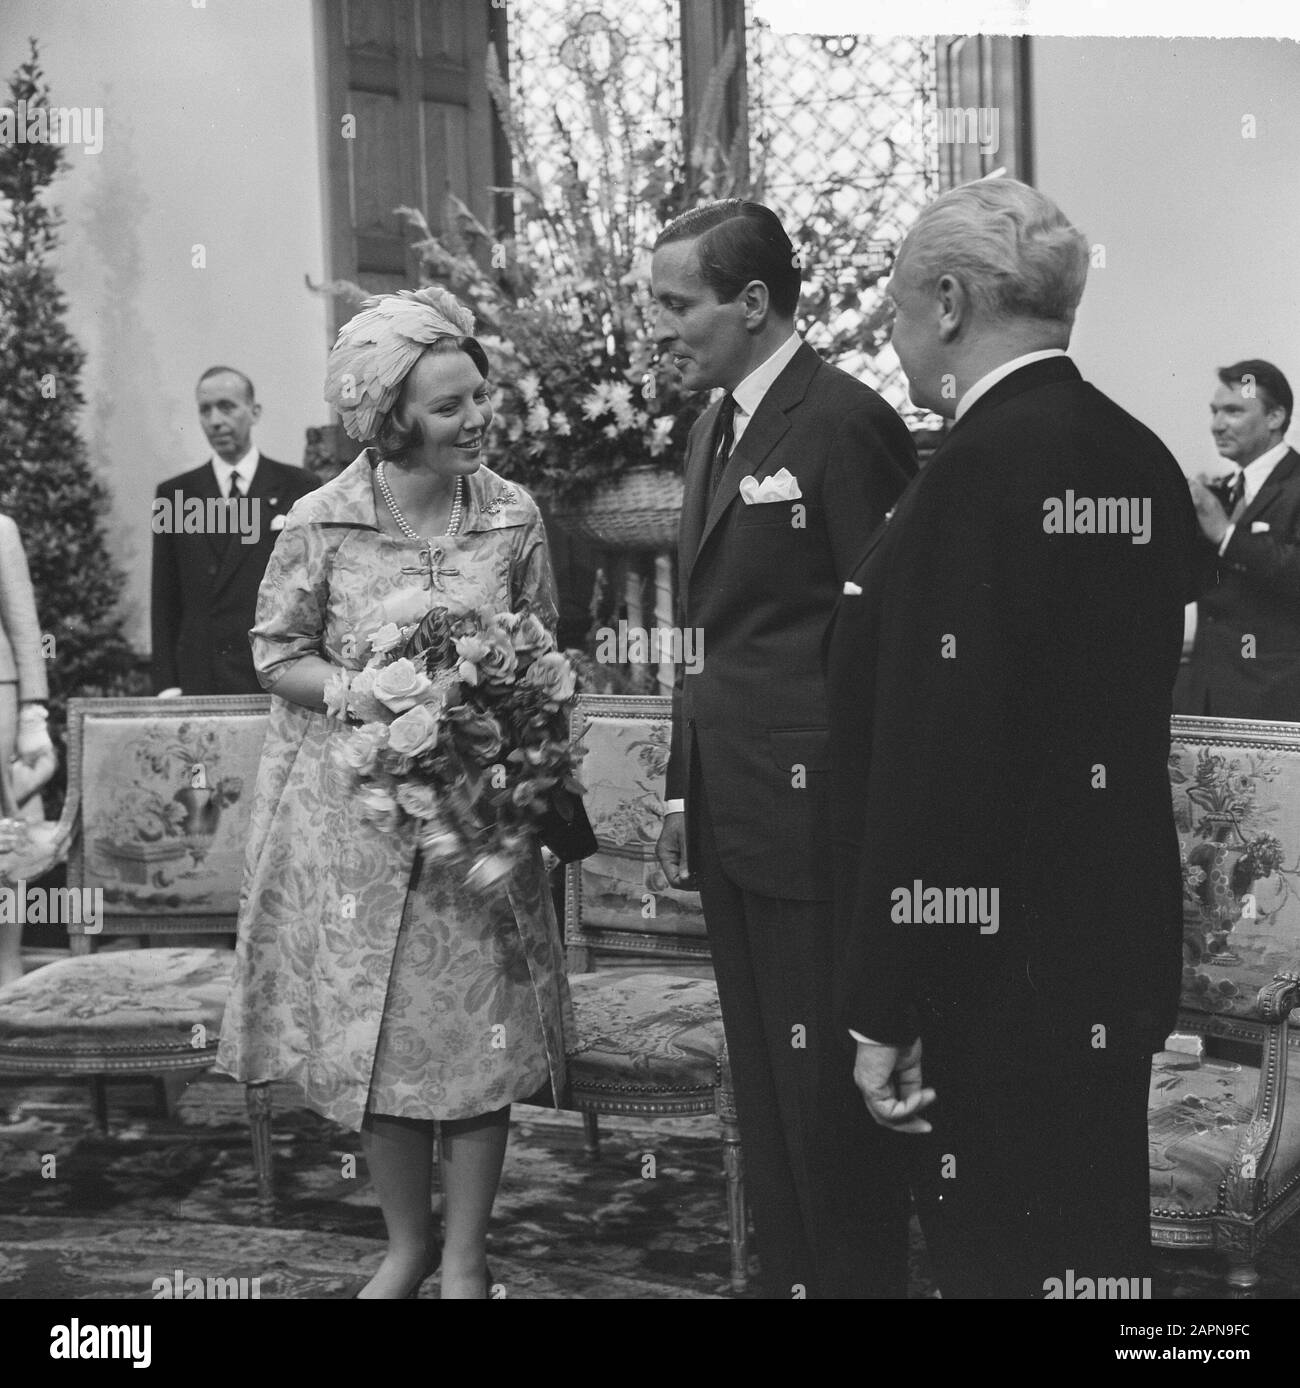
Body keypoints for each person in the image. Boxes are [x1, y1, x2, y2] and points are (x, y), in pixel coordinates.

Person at [826, 176, 1199, 1298]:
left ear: (946, 302)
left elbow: (943, 762)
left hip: (989, 959)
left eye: (892, 314)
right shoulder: (1137, 453)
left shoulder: (971, 477)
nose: (892, 346)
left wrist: (885, 999)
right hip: (1108, 925)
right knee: (1096, 1245)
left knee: (998, 1249)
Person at [214, 287, 573, 1298]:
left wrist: (514, 719)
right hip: (360, 830)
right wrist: (356, 690)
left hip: (479, 826)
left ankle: (463, 1259)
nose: (475, 420)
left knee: (473, 1040)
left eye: (477, 397)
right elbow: (274, 651)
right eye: (449, 406)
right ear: (390, 417)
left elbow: (540, 641)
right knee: (384, 1042)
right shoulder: (319, 522)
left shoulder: (511, 513)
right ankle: (406, 1244)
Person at [651, 199, 917, 1298]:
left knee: (824, 1105)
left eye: (677, 305)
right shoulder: (712, 425)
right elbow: (703, 630)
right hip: (729, 806)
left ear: (751, 302)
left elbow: (893, 639)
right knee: (765, 1086)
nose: (661, 328)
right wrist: (679, 794)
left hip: (814, 814)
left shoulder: (845, 420)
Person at [151, 366, 318, 696]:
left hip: (274, 673)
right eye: (205, 409)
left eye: (226, 407)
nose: (215, 420)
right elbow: (164, 597)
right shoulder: (175, 494)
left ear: (254, 412)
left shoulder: (299, 487)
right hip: (201, 676)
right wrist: (167, 684)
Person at [1176, 359, 1300, 719]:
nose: (1216, 425)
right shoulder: (1223, 493)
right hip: (1206, 693)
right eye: (1214, 412)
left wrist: (1225, 534)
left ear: (1275, 417)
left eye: (1232, 411)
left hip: (1278, 698)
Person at [0, 513, 55, 989]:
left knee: (4, 836)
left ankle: (7, 964)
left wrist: (32, 716)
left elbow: (24, 627)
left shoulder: (1, 530)